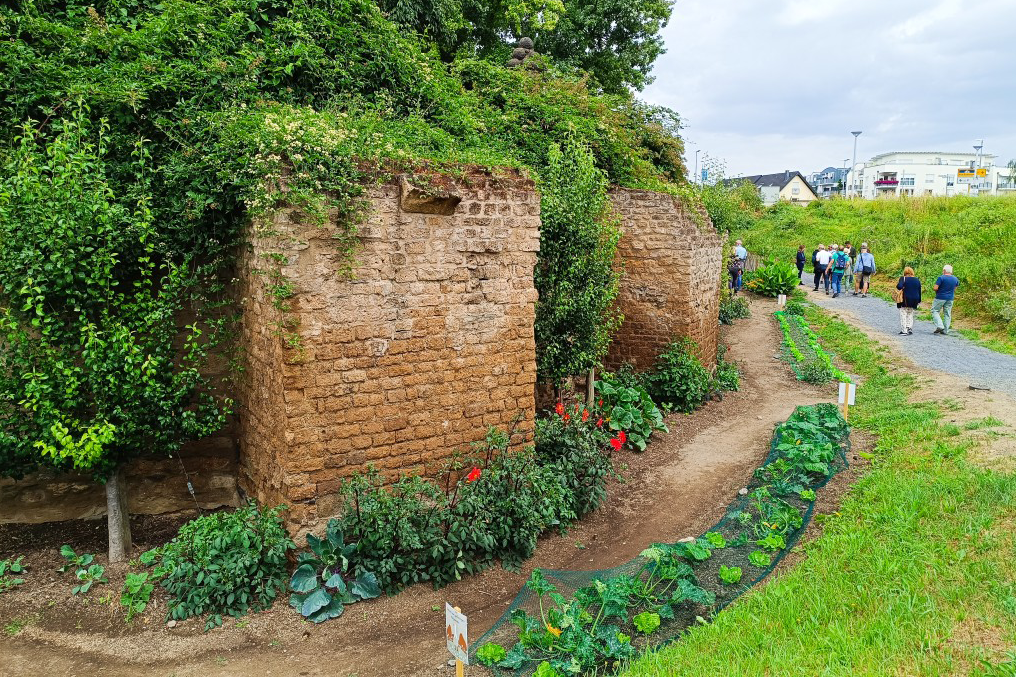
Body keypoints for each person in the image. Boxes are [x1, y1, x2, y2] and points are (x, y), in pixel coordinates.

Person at [931, 264, 960, 335]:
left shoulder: (941, 278)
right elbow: (955, 288)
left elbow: (935, 288)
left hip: (940, 297)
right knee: (947, 313)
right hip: (950, 298)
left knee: (935, 310)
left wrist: (937, 291)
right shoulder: (955, 279)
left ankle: (940, 325)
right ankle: (946, 330)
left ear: (944, 270)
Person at [895, 266, 922, 335]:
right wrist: (919, 300)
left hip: (905, 299)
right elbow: (919, 290)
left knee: (903, 313)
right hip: (915, 299)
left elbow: (899, 287)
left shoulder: (903, 278)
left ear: (905, 272)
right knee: (910, 313)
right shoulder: (917, 280)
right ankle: (909, 328)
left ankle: (904, 330)